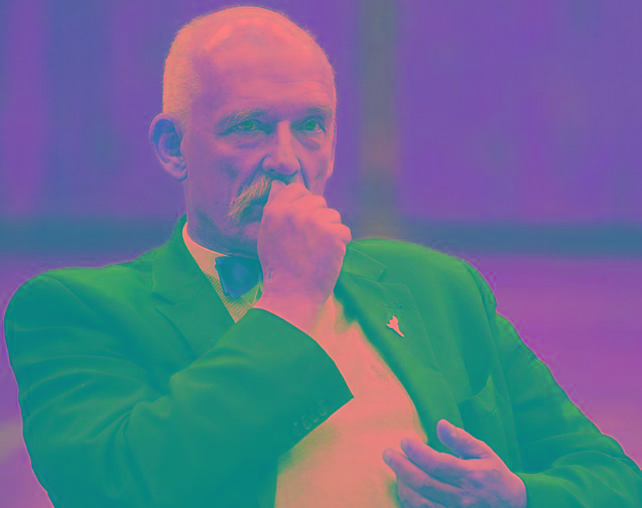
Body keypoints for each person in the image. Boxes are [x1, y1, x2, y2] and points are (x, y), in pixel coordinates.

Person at [3, 5, 641, 508]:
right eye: (249, 126)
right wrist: (290, 298)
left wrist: (520, 497)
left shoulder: (439, 286)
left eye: (311, 125)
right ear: (173, 148)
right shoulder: (73, 310)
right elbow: (119, 489)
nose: (287, 160)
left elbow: (614, 478)